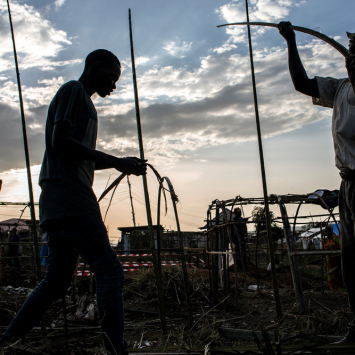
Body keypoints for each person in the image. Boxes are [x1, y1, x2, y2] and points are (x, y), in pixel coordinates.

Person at [0, 49, 147, 354]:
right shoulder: (73, 91)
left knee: (56, 281)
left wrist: (122, 163)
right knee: (110, 272)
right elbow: (60, 142)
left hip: (57, 199)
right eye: (112, 76)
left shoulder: (86, 105)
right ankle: (116, 351)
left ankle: (6, 340)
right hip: (71, 196)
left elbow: (76, 157)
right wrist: (116, 160)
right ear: (95, 67)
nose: (114, 85)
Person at [278, 21, 355, 342]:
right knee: (350, 258)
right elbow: (302, 84)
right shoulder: (340, 88)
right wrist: (291, 42)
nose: (349, 57)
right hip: (349, 183)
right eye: (351, 51)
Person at [323, 225, 344, 292]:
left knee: (337, 277)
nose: (328, 232)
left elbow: (341, 248)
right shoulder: (326, 240)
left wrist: (340, 261)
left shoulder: (336, 238)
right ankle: (333, 291)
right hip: (329, 262)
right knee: (330, 277)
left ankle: (339, 291)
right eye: (327, 230)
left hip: (336, 261)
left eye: (329, 230)